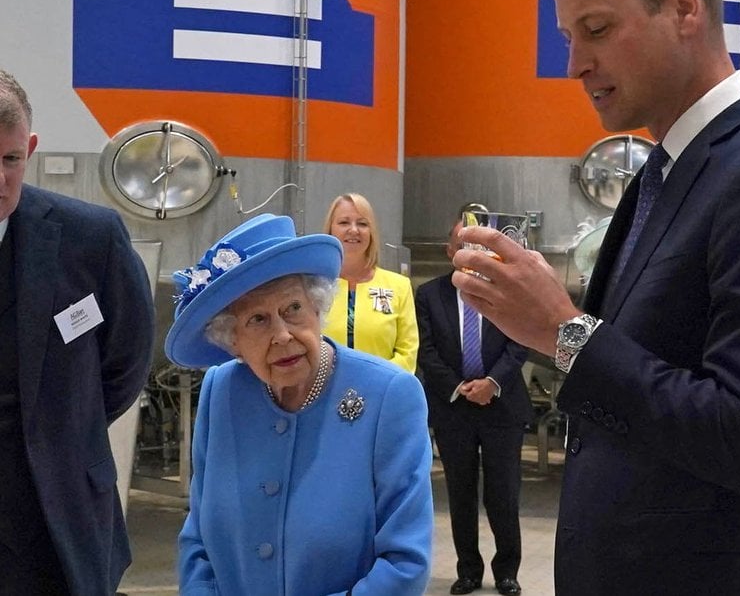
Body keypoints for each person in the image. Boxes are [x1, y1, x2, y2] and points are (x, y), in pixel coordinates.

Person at [451, 0, 740, 593]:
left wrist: (563, 332)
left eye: (598, 28)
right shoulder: (664, 172)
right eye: (568, 37)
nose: (575, 61)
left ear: (684, 8)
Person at [166, 213, 433, 594]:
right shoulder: (221, 390)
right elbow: (198, 539)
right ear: (232, 341)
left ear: (318, 306)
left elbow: (405, 564)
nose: (282, 335)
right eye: (257, 319)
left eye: (293, 309)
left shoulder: (390, 395)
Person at [0, 69, 154, 594]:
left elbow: (126, 363)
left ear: (31, 149)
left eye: (10, 160)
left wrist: (61, 425)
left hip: (55, 512)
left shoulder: (90, 239)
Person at [416, 217, 532, 596]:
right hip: (454, 407)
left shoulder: (506, 291)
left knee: (503, 493)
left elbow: (519, 342)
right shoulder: (430, 295)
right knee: (460, 493)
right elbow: (427, 350)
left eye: (478, 247)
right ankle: (468, 570)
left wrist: (492, 383)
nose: (470, 254)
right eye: (462, 246)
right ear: (451, 253)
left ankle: (506, 571)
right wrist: (459, 386)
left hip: (502, 405)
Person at [322, 192, 419, 372]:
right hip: (325, 391)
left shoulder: (399, 286)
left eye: (362, 223)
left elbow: (408, 352)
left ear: (371, 232)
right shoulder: (314, 285)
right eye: (344, 222)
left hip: (384, 391)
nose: (353, 230)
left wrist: (377, 382)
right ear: (330, 229)